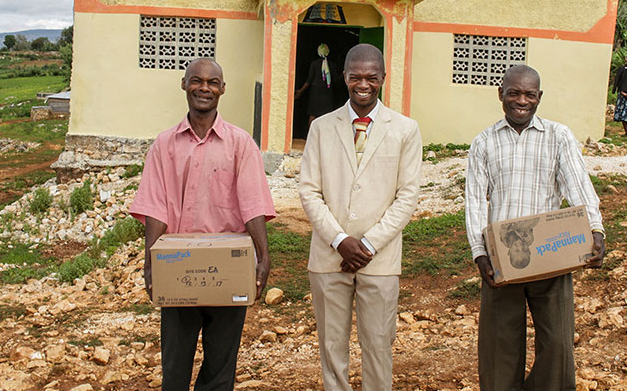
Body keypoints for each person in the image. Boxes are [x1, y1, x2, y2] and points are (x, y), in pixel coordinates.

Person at [129, 58, 276, 391]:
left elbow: (253, 203)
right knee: (175, 366)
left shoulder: (240, 145)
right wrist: (150, 262)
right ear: (184, 85)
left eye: (212, 83)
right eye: (196, 81)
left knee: (221, 367)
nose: (204, 88)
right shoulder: (164, 145)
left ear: (222, 89)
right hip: (179, 269)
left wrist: (263, 257)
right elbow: (155, 207)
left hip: (228, 270)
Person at [465, 65, 606, 391]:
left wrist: (596, 230)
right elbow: (474, 201)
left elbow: (579, 188)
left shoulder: (559, 137)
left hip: (551, 256)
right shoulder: (484, 143)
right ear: (501, 94)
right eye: (513, 93)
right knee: (499, 347)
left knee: (557, 345)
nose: (521, 101)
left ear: (539, 97)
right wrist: (479, 254)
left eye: (529, 94)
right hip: (502, 261)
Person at [299, 43, 422, 391]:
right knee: (331, 346)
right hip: (328, 258)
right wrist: (340, 241)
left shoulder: (405, 129)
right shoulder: (322, 127)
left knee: (379, 346)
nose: (362, 84)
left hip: (379, 260)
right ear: (344, 77)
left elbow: (407, 195)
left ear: (382, 78)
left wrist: (367, 243)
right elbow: (309, 191)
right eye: (355, 77)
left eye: (371, 77)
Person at [294, 43, 336, 128]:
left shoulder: (314, 64)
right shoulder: (332, 65)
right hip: (327, 93)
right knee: (327, 116)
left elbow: (309, 80)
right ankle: (325, 137)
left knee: (312, 114)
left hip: (315, 93)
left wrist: (300, 91)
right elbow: (336, 80)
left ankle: (311, 136)